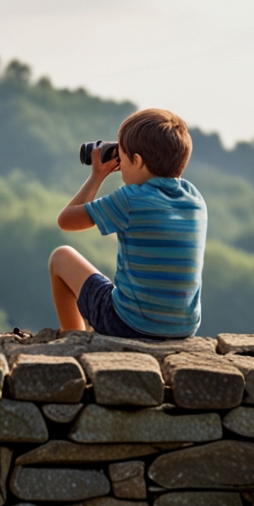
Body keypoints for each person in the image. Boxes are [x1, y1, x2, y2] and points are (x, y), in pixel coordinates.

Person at [48, 108, 206, 339]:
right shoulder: (195, 199)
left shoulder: (130, 199)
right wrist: (131, 153)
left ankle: (73, 336)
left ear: (137, 161)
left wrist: (97, 175)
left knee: (61, 257)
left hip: (128, 324)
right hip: (182, 329)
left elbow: (66, 220)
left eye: (121, 158)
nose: (119, 164)